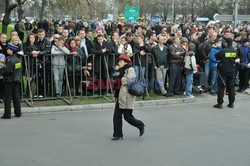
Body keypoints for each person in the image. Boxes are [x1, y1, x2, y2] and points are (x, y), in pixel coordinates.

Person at [112, 55, 145, 141]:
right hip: (120, 96)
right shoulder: (118, 70)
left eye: (120, 61)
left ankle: (140, 125)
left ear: (125, 62)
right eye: (118, 61)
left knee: (128, 117)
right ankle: (118, 134)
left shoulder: (130, 69)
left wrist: (119, 79)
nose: (118, 63)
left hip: (127, 96)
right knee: (117, 116)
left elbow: (131, 80)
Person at [214, 38, 239, 109]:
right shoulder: (234, 51)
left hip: (223, 71)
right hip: (231, 71)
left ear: (226, 43)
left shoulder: (223, 51)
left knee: (221, 87)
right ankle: (231, 103)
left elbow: (217, 57)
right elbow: (236, 59)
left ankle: (220, 103)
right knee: (231, 87)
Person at [1, 43, 22, 119]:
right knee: (16, 97)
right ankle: (18, 113)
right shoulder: (17, 59)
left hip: (9, 81)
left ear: (11, 51)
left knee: (7, 98)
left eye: (8, 49)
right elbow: (17, 70)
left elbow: (8, 71)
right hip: (16, 80)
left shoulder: (10, 60)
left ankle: (7, 115)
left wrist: (2, 70)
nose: (7, 50)